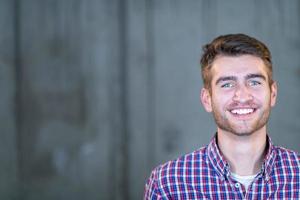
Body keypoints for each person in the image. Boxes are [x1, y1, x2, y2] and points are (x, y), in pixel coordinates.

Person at [144, 34, 300, 199]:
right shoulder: (168, 185)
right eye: (227, 84)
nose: (242, 96)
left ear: (273, 93)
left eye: (254, 82)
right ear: (207, 99)